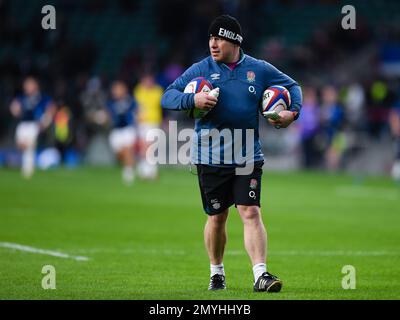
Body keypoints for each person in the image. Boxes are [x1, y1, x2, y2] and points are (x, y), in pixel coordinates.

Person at [161, 15, 302, 292]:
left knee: (250, 211)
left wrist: (291, 112)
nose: (213, 44)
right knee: (217, 217)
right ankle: (217, 272)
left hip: (247, 155)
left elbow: (293, 86)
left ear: (235, 41)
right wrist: (193, 99)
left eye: (219, 38)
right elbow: (167, 95)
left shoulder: (259, 70)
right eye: (211, 38)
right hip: (210, 156)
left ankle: (260, 275)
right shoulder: (201, 69)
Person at [9, 76, 56, 178]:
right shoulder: (22, 97)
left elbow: (51, 107)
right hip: (22, 124)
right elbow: (14, 107)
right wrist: (15, 110)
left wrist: (45, 120)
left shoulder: (41, 97)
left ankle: (28, 170)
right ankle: (27, 168)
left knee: (29, 146)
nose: (27, 87)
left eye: (29, 84)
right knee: (21, 145)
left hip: (34, 124)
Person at [106, 80, 138, 184]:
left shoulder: (129, 101)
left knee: (127, 150)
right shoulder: (110, 103)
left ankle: (128, 174)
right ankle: (136, 165)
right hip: (116, 130)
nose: (116, 91)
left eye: (119, 89)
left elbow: (137, 110)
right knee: (119, 155)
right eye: (115, 89)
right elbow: (108, 115)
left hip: (127, 129)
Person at [133, 72, 163, 179]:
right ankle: (146, 171)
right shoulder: (139, 90)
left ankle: (149, 171)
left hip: (154, 122)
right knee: (144, 147)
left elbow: (160, 106)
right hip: (142, 123)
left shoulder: (158, 91)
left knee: (151, 147)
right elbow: (137, 106)